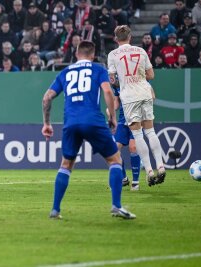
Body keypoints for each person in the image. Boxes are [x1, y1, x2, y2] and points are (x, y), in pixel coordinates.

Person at [42, 40, 136, 220]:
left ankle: (55, 210)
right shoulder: (98, 69)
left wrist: (46, 124)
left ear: (76, 54)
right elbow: (108, 92)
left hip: (70, 123)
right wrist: (113, 118)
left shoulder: (65, 72)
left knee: (66, 164)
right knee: (115, 159)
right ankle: (116, 206)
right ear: (92, 55)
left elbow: (46, 98)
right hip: (93, 120)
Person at [107, 25, 166, 187]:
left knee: (138, 135)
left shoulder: (113, 55)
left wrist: (122, 80)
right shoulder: (141, 51)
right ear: (130, 37)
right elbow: (151, 75)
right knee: (151, 131)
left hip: (129, 96)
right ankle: (160, 166)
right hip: (145, 92)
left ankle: (149, 171)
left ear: (116, 38)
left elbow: (112, 80)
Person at [109, 85, 141, 190]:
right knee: (115, 149)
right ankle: (124, 178)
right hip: (122, 121)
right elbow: (117, 100)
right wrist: (111, 109)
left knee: (133, 148)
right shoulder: (116, 82)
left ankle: (135, 182)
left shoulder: (135, 78)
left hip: (136, 118)